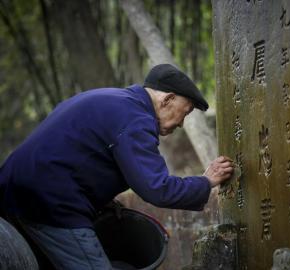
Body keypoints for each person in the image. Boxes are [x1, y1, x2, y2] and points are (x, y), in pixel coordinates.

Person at [0, 63, 234, 269]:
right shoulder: (136, 119)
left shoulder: (115, 101)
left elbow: (78, 157)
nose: (182, 123)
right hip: (50, 201)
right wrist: (205, 182)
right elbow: (157, 188)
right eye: (184, 113)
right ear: (167, 99)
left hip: (14, 187)